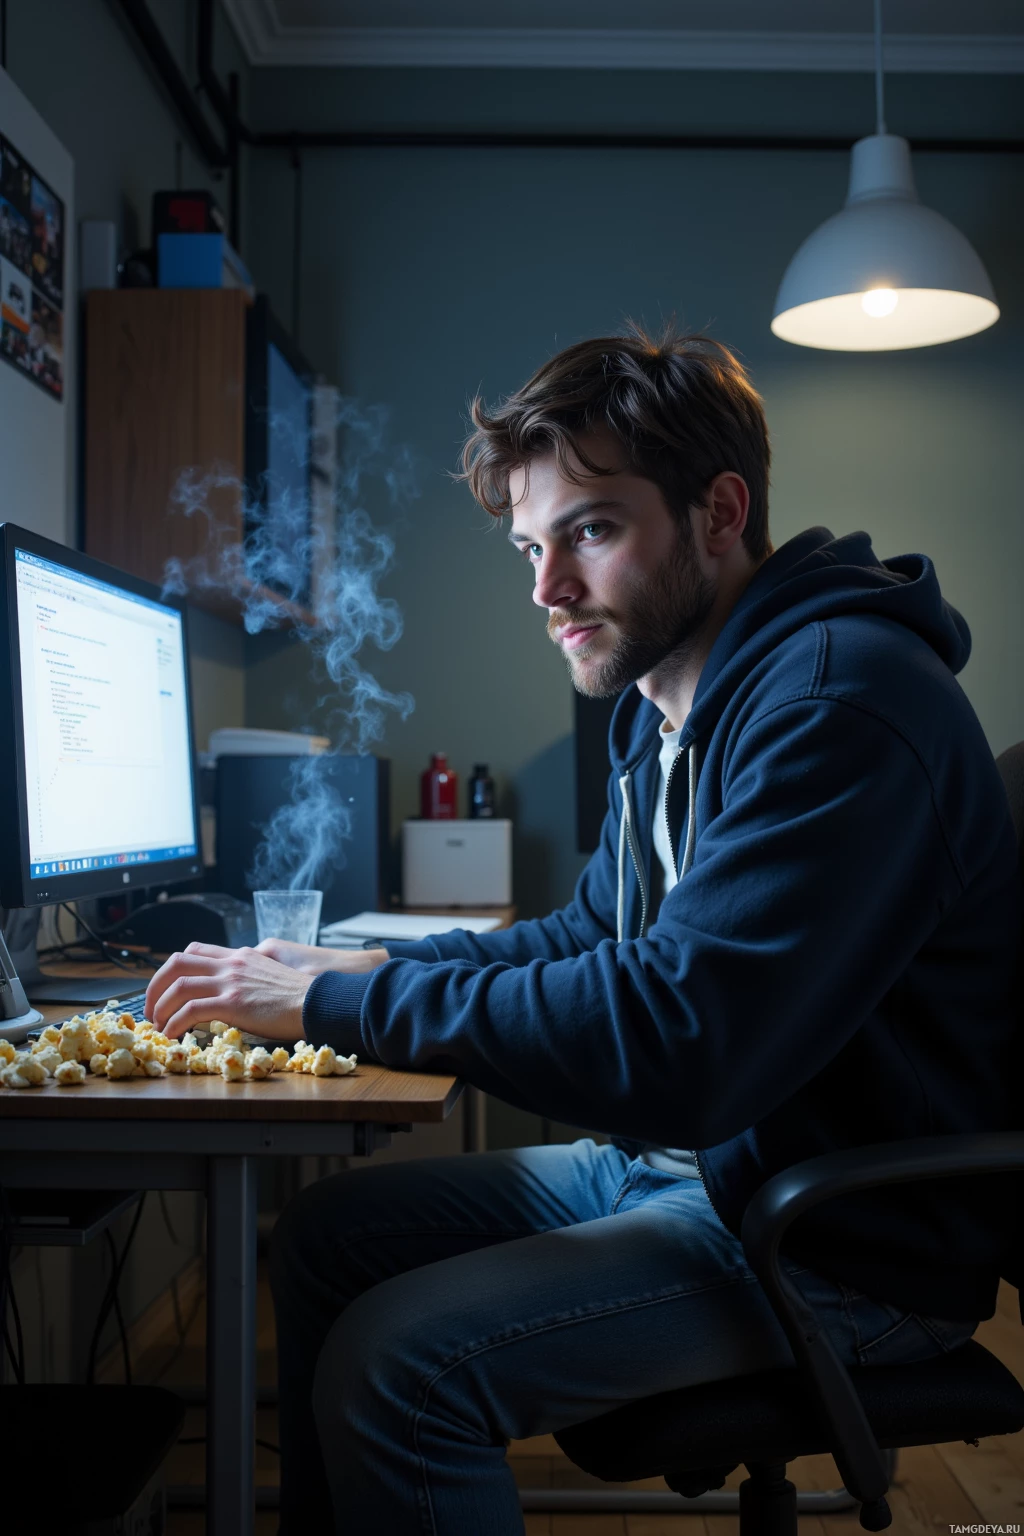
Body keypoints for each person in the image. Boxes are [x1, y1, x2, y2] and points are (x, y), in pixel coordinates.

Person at [146, 329, 1021, 1536]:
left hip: (829, 1235)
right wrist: (365, 969)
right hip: (701, 1174)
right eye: (528, 546)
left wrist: (337, 1007)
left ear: (720, 511)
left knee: (403, 1371)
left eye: (591, 531)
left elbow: (682, 1038)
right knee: (326, 1239)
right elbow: (589, 939)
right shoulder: (665, 700)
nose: (546, 589)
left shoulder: (837, 705)